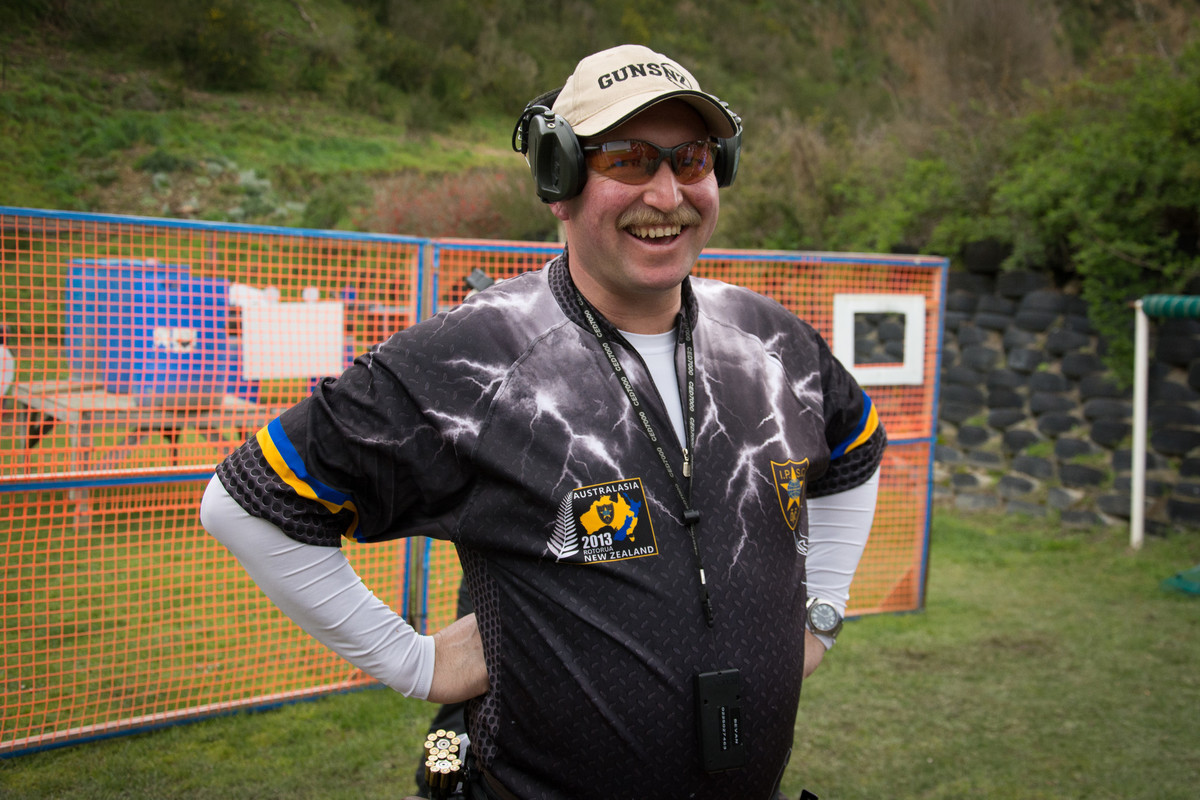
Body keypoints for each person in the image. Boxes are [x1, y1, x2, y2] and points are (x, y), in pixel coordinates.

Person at [201, 43, 884, 800]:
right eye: (628, 160)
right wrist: (413, 662)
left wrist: (822, 612)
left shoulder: (773, 341)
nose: (667, 194)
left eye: (690, 159)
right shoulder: (472, 355)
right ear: (558, 179)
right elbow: (249, 501)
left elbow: (856, 447)